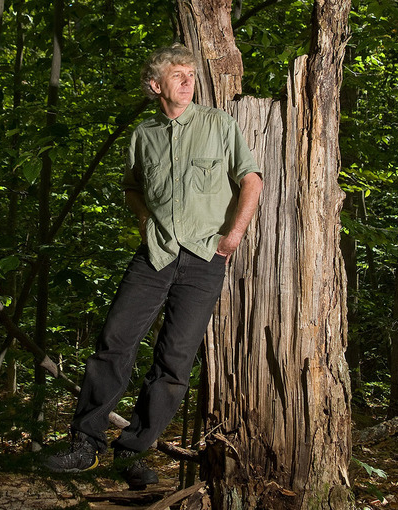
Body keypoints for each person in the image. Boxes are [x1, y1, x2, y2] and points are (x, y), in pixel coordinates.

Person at [45, 43, 263, 488]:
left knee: (175, 363)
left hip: (205, 258)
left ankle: (130, 453)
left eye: (190, 73)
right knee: (113, 343)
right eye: (178, 74)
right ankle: (86, 443)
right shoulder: (142, 135)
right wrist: (145, 223)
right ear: (155, 85)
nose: (188, 80)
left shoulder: (219, 124)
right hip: (155, 255)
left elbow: (251, 179)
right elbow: (132, 188)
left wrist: (234, 234)